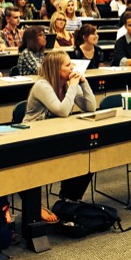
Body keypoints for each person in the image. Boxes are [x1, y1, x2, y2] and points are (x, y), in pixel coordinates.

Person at [23, 51, 96, 202]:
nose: (73, 68)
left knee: (87, 158)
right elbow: (62, 111)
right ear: (56, 69)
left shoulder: (67, 84)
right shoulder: (42, 85)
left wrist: (83, 81)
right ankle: (66, 200)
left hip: (56, 133)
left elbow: (90, 107)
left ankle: (69, 200)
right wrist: (73, 87)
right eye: (68, 65)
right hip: (33, 137)